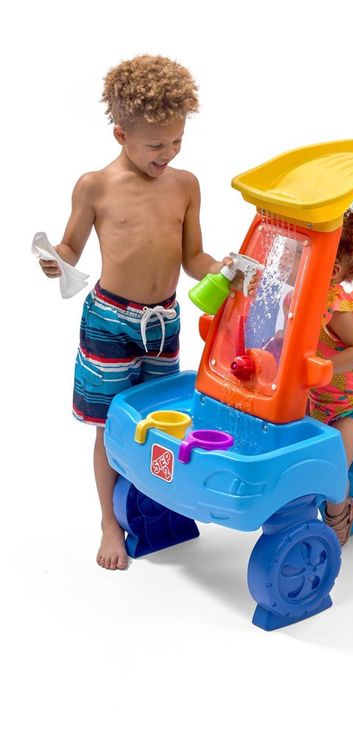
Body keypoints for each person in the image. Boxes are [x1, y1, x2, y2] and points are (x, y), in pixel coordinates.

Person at [38, 55, 234, 571]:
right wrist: (54, 261)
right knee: (110, 424)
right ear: (120, 134)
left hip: (162, 322)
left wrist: (220, 267)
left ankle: (154, 504)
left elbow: (193, 258)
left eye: (176, 142)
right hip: (109, 319)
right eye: (155, 145)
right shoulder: (95, 187)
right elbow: (71, 249)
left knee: (157, 419)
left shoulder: (186, 185)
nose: (167, 154)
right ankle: (109, 522)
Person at [309, 209, 353, 545]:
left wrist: (325, 368)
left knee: (333, 464)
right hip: (314, 395)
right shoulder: (303, 291)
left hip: (352, 403)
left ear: (333, 269)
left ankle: (339, 516)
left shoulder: (335, 306)